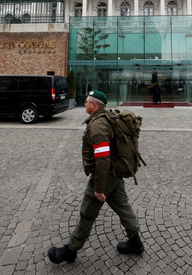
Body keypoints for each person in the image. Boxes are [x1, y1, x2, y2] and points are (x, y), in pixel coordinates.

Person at [48, 90, 144, 264]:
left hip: (105, 176)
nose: (85, 104)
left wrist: (99, 188)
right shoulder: (105, 118)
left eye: (86, 102)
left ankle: (70, 251)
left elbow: (102, 159)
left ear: (93, 105)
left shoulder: (98, 125)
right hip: (114, 174)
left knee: (87, 213)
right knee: (123, 207)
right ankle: (135, 243)